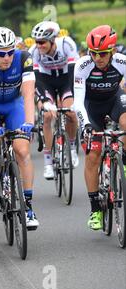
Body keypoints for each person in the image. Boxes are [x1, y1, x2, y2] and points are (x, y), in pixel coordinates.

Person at [0, 27, 39, 229]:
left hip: (14, 106)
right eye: (1, 53)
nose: (7, 57)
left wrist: (29, 121)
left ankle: (28, 207)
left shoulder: (24, 58)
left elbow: (28, 94)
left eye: (10, 52)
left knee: (22, 151)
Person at [73, 25, 126, 230]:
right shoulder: (82, 65)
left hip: (114, 101)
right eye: (93, 53)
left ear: (112, 51)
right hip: (90, 107)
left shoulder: (122, 62)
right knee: (93, 155)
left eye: (102, 53)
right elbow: (78, 101)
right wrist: (85, 124)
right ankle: (95, 209)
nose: (98, 58)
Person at [30, 21, 80, 179]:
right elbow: (36, 79)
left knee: (71, 114)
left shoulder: (67, 44)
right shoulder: (34, 52)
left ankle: (72, 148)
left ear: (52, 40)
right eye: (37, 42)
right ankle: (48, 162)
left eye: (42, 42)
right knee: (46, 116)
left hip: (66, 80)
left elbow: (74, 72)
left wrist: (74, 98)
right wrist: (45, 101)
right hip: (46, 82)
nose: (39, 45)